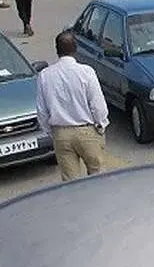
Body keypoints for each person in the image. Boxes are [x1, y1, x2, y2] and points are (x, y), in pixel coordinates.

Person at [36, 30, 109, 181]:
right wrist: (101, 125)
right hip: (86, 130)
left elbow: (42, 111)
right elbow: (97, 104)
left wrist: (52, 132)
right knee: (99, 177)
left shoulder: (45, 75)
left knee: (70, 183)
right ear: (75, 49)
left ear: (57, 50)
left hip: (61, 133)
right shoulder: (86, 72)